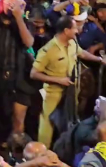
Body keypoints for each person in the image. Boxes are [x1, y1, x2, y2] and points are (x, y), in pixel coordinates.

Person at [31, 16, 106, 146]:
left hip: (71, 92)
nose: (77, 31)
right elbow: (34, 74)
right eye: (74, 28)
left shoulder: (72, 43)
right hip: (52, 93)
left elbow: (81, 53)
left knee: (68, 122)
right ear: (66, 30)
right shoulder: (48, 50)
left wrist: (99, 60)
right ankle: (42, 153)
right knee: (47, 124)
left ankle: (64, 150)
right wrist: (58, 80)